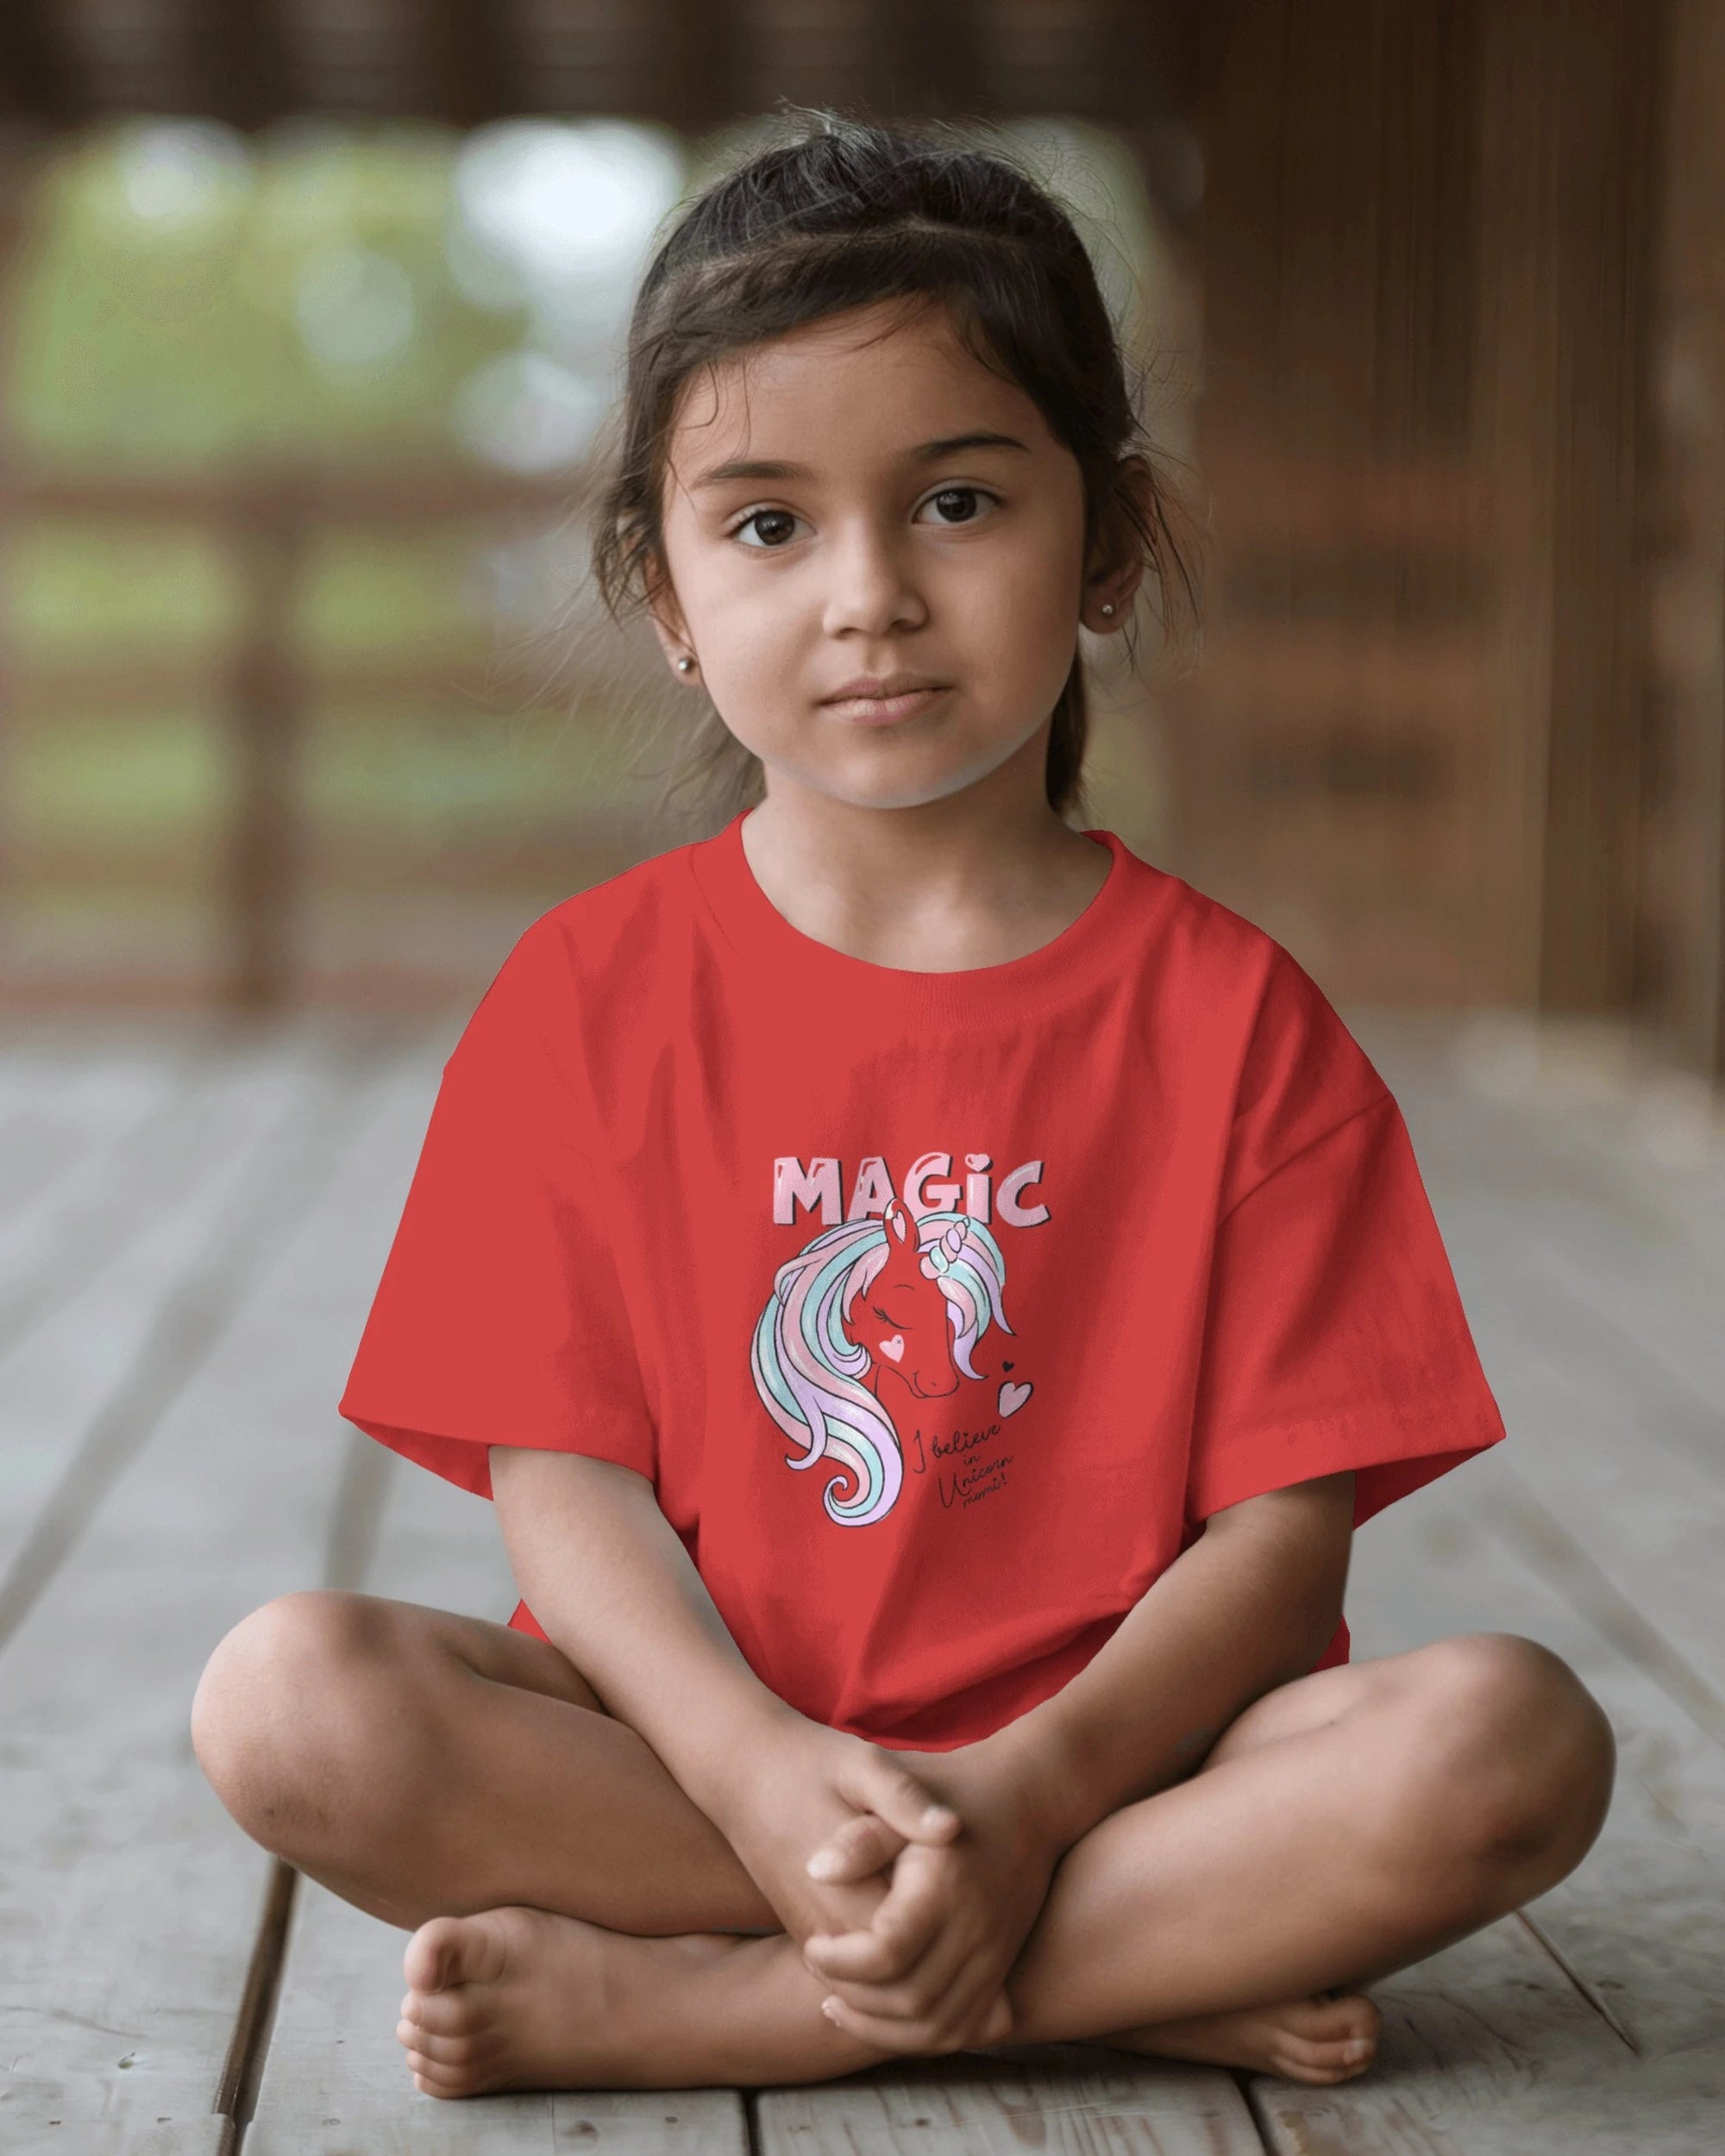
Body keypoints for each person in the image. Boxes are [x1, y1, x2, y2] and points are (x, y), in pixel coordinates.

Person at [189, 110, 1615, 2103]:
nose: (868, 592)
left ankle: (714, 2005)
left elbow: (1285, 1530)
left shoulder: (1235, 1018)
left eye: (956, 502)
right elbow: (562, 1480)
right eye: (768, 523)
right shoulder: (586, 996)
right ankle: (1119, 1968)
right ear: (664, 586)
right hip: (690, 1757)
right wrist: (762, 1773)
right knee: (289, 1701)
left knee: (1511, 1739)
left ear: (1105, 539)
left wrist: (1030, 1796)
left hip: (1123, 1769)